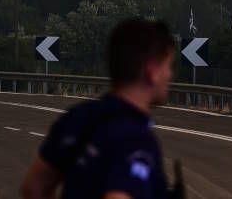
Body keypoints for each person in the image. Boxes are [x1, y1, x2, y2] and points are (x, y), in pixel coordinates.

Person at [21, 18, 181, 199]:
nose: (170, 74)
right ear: (152, 71)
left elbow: (34, 187)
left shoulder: (78, 117)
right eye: (168, 66)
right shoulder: (137, 138)